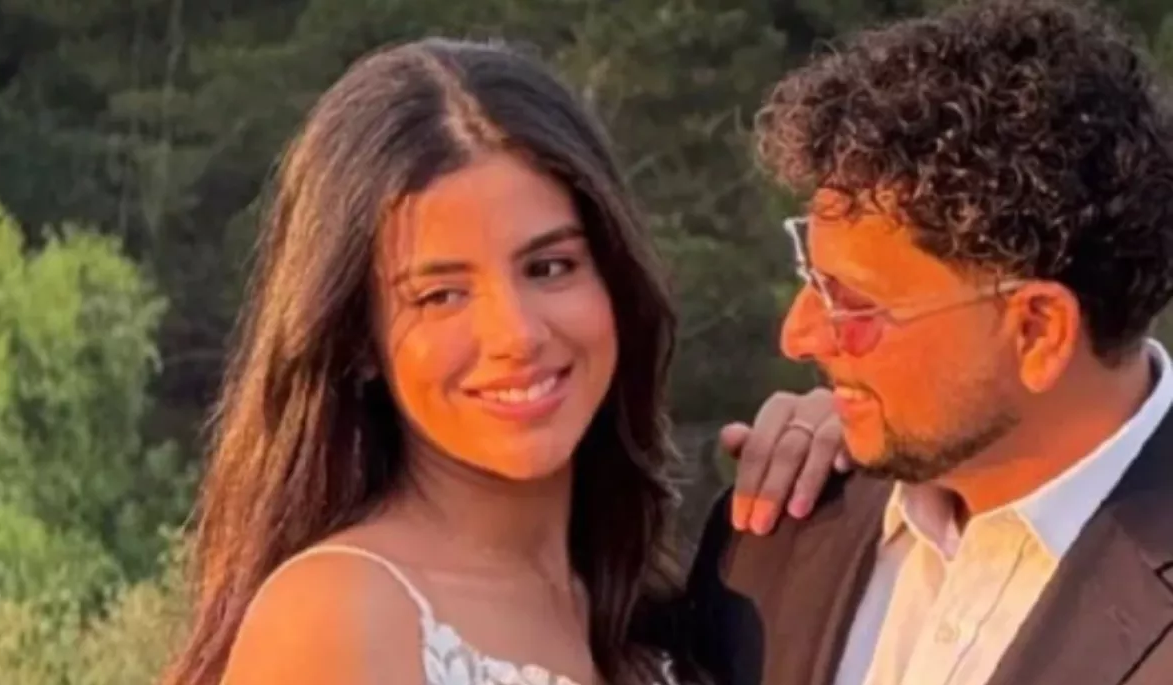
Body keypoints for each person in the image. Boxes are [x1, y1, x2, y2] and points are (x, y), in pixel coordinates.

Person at [159, 37, 847, 685]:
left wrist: (857, 446)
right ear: (359, 340)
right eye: (441, 295)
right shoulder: (340, 613)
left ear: (614, 276)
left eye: (549, 267)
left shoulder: (644, 605)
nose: (516, 334)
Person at [686, 1, 1173, 684]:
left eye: (852, 300)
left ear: (1038, 330)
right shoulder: (770, 539)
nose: (797, 336)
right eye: (810, 279)